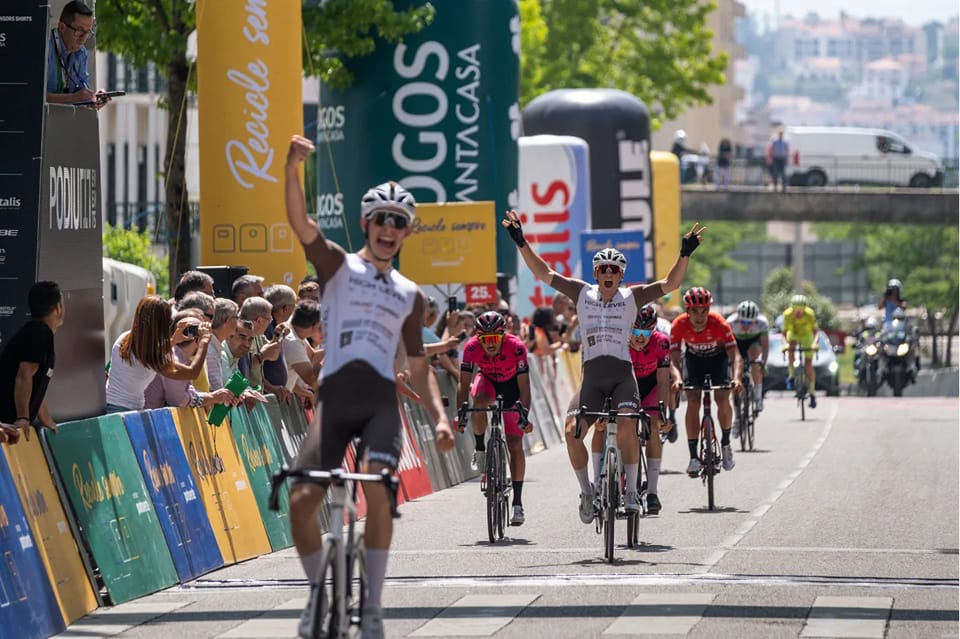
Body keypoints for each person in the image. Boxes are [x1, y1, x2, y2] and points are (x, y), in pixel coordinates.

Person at [284, 134, 454, 639]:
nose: (388, 228)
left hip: (380, 404)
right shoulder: (338, 265)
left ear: (406, 233)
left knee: (379, 496)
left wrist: (441, 416)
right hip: (335, 401)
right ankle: (318, 592)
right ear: (366, 223)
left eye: (398, 222)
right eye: (381, 218)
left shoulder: (409, 293)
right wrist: (292, 168)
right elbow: (301, 223)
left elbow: (419, 365)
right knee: (299, 502)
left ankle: (373, 607)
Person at [503, 209, 703, 522]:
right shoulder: (581, 293)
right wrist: (521, 242)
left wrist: (684, 254)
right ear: (596, 273)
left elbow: (670, 283)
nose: (608, 272)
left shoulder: (632, 296)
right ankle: (587, 490)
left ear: (621, 274)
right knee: (572, 432)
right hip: (592, 381)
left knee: (626, 424)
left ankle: (632, 490)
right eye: (603, 268)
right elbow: (544, 274)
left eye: (614, 268)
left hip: (623, 378)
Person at [455, 311, 533, 526]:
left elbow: (525, 387)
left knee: (515, 443)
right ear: (478, 338)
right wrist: (460, 413)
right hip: (487, 381)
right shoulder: (471, 347)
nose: (489, 344)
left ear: (502, 336)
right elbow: (463, 384)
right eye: (485, 340)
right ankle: (480, 449)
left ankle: (517, 502)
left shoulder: (516, 346)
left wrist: (523, 415)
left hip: (512, 387)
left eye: (494, 339)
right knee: (479, 402)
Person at [670, 287, 743, 476]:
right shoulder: (679, 325)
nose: (699, 316)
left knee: (722, 399)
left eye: (704, 311)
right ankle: (693, 457)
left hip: (718, 361)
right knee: (693, 402)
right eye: (694, 311)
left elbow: (735, 355)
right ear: (687, 311)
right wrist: (677, 379)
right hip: (694, 362)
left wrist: (736, 378)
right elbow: (674, 357)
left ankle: (726, 444)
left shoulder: (720, 323)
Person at [105, 296, 211, 413]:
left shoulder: (124, 338)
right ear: (162, 324)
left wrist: (174, 340)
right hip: (126, 411)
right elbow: (192, 372)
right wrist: (203, 342)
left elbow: (147, 354)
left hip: (111, 406)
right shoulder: (153, 355)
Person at [624, 304, 677, 515]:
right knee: (623, 424)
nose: (640, 337)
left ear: (654, 329)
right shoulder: (620, 340)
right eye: (636, 331)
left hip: (651, 385)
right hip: (627, 384)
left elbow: (663, 382)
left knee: (654, 426)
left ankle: (653, 490)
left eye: (646, 332)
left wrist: (663, 412)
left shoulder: (661, 342)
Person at [0, 282, 64, 444]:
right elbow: (24, 375)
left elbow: (35, 384)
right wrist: (23, 418)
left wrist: (46, 419)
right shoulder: (40, 334)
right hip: (7, 424)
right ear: (58, 308)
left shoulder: (40, 333)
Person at [46, 1, 110, 109]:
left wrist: (93, 98)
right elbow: (34, 96)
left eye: (88, 32)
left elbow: (81, 91)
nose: (84, 38)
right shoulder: (45, 48)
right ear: (62, 27)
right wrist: (73, 98)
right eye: (79, 31)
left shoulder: (81, 52)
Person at [726, 300, 769, 414]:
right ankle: (736, 413)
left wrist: (763, 364)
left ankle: (758, 397)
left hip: (753, 342)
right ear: (738, 318)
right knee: (734, 371)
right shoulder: (730, 322)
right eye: (743, 322)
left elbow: (765, 346)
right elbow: (726, 346)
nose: (746, 325)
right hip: (737, 342)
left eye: (750, 323)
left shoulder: (762, 323)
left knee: (755, 361)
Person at [781, 294, 819, 408]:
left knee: (808, 364)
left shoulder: (810, 314)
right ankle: (792, 375)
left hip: (806, 335)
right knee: (791, 346)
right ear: (792, 308)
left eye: (800, 311)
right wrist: (785, 345)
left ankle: (812, 393)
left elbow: (816, 331)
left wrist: (814, 343)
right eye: (796, 310)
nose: (798, 313)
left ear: (805, 309)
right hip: (793, 333)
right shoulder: (787, 314)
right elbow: (783, 333)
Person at [767, 127, 789, 192]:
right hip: (776, 159)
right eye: (780, 133)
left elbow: (787, 151)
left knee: (783, 174)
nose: (781, 135)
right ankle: (775, 187)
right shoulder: (774, 142)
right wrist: (770, 159)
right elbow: (771, 150)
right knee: (775, 173)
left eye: (781, 134)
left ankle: (784, 187)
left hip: (782, 159)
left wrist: (787, 159)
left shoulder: (785, 142)